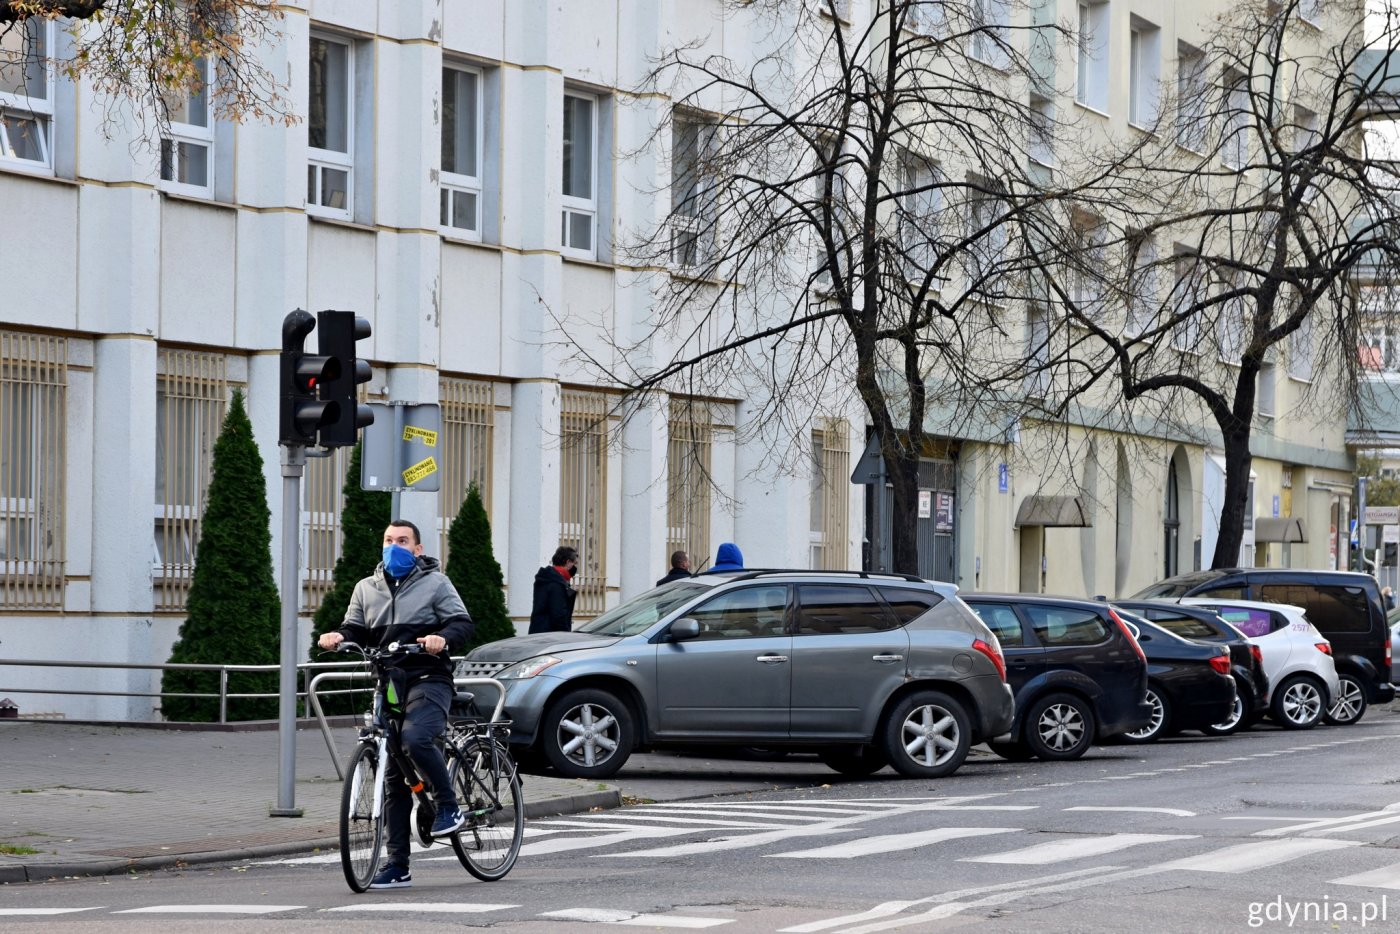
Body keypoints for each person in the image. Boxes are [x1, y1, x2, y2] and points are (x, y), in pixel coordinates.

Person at [318, 519, 474, 890]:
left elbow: (462, 623)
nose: (394, 546)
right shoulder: (365, 588)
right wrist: (339, 635)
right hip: (388, 683)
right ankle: (397, 865)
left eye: (402, 541)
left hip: (428, 678)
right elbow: (354, 627)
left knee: (416, 738)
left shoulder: (436, 583)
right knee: (392, 774)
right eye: (388, 540)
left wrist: (440, 637)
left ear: (418, 549)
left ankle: (448, 804)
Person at [529, 545, 579, 633]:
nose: (575, 568)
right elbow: (559, 615)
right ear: (568, 562)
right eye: (574, 563)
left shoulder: (547, 577)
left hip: (539, 631)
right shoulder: (557, 583)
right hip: (550, 636)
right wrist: (565, 635)